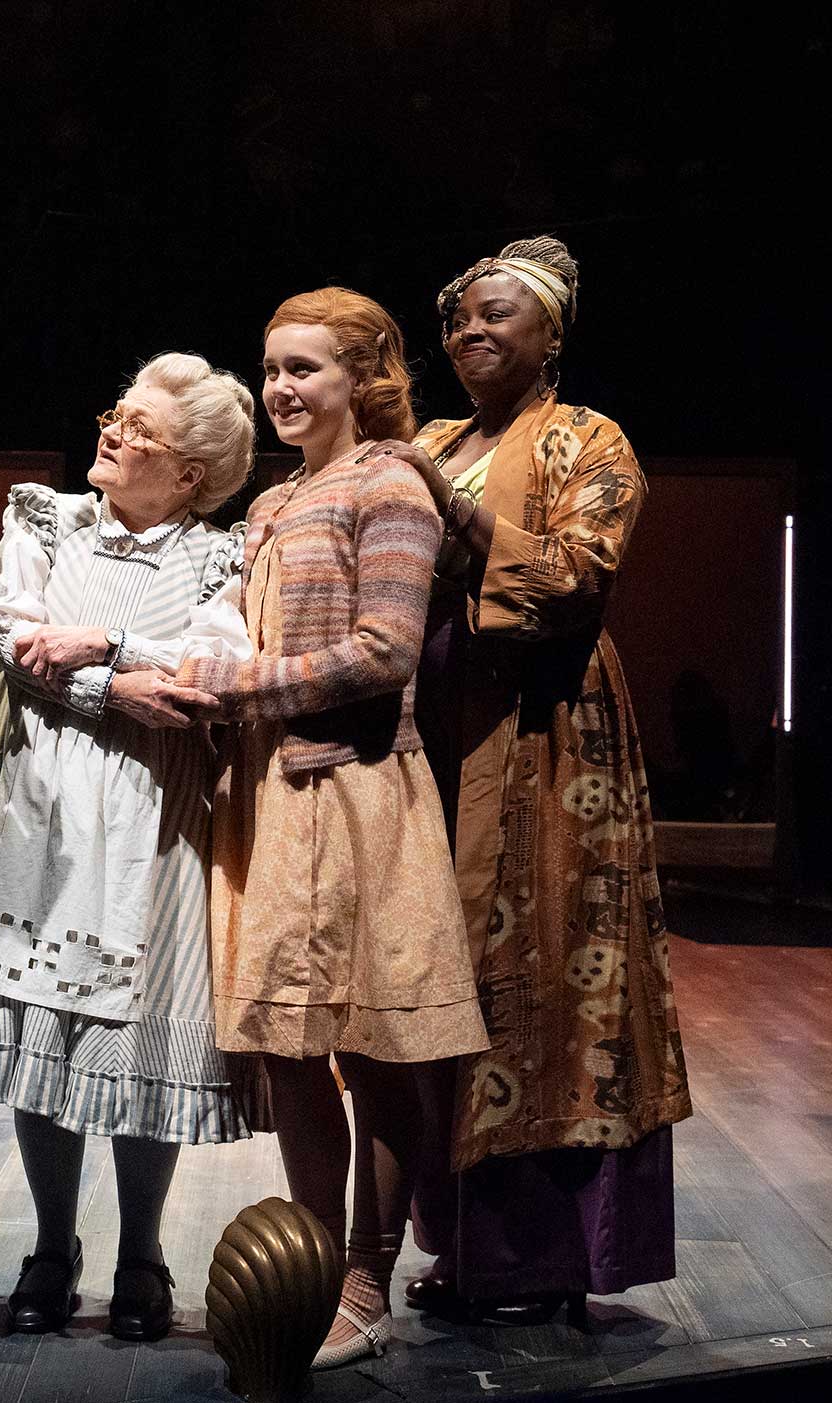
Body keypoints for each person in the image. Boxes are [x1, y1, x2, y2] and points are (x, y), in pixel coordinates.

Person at [364, 236, 690, 1323]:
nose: (472, 333)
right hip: (437, 734)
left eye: (498, 316)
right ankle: (461, 1244)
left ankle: (544, 1256)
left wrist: (448, 509)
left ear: (551, 334)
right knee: (444, 980)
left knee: (547, 976)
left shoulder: (588, 439)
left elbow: (575, 577)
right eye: (459, 320)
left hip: (547, 735)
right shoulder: (439, 435)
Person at [180, 288, 489, 1369]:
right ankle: (312, 1268)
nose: (280, 389)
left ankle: (369, 1276)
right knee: (291, 1048)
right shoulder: (273, 502)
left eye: (305, 369)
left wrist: (243, 683)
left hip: (357, 794)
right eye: (271, 368)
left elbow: (385, 651)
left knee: (376, 1042)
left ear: (364, 378)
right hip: (270, 793)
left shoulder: (390, 483)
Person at [0, 353, 257, 1342]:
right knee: (41, 1027)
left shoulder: (218, 555)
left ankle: (141, 1250)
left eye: (140, 429)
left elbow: (218, 662)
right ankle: (50, 1245)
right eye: (114, 413)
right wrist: (108, 688)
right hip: (42, 797)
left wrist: (110, 647)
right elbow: (9, 632)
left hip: (156, 814)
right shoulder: (48, 519)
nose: (113, 434)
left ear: (190, 476)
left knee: (132, 1042)